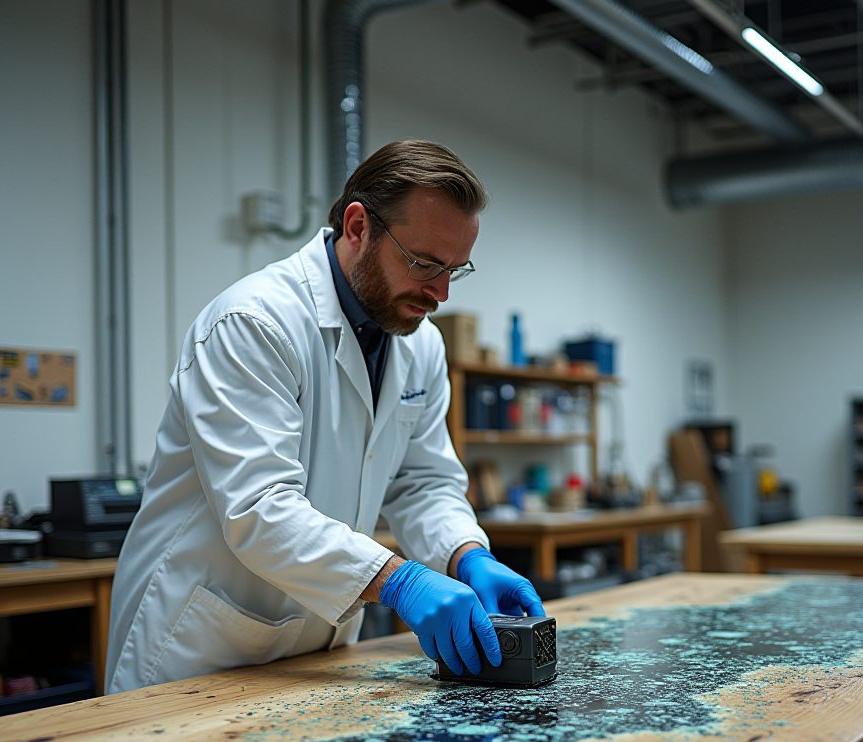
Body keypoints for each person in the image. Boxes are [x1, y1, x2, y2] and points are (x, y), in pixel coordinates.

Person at [105, 140, 544, 693]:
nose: (440, 292)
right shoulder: (254, 324)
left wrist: (465, 553)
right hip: (202, 648)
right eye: (425, 263)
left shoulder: (421, 346)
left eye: (457, 269)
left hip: (318, 654)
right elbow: (259, 509)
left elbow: (423, 482)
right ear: (358, 227)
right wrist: (401, 582)